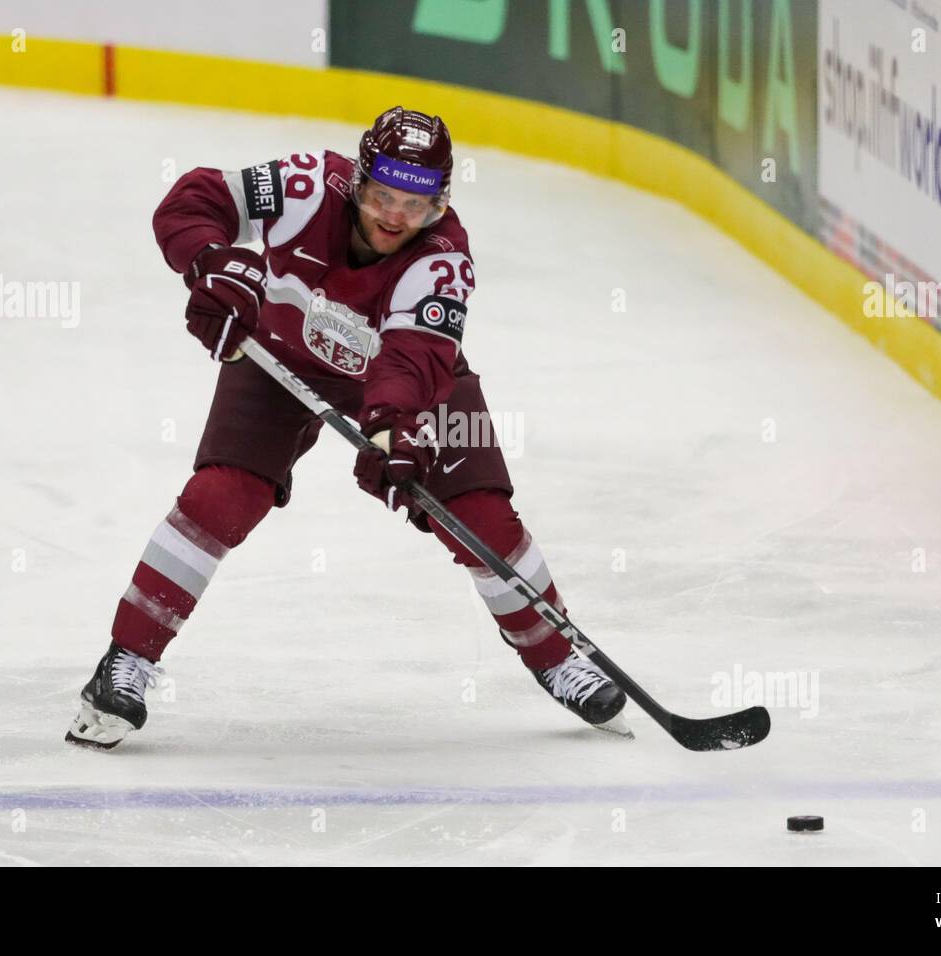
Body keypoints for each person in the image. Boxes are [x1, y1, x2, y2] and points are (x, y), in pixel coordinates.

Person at [65, 106, 629, 749]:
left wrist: (395, 431)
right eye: (383, 195)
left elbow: (412, 359)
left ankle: (558, 657)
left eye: (414, 205)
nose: (394, 216)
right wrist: (211, 262)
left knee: (481, 517)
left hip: (402, 384)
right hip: (275, 360)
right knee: (218, 499)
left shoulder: (443, 260)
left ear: (440, 205)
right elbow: (194, 199)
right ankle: (126, 660)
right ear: (358, 180)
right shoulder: (305, 184)